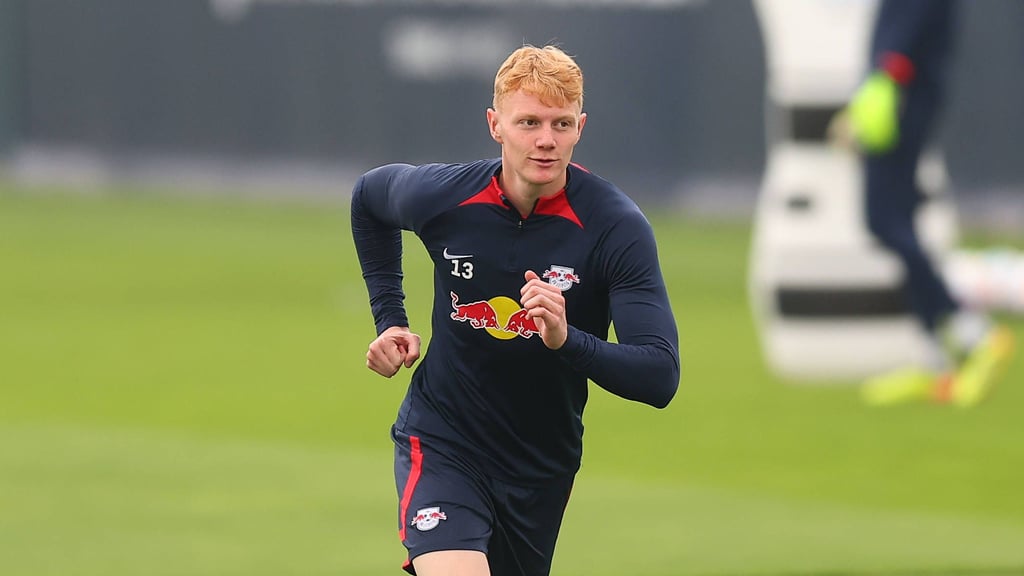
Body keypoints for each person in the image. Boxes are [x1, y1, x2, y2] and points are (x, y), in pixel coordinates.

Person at [350, 44, 680, 576]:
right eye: (528, 122)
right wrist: (391, 318)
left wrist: (566, 339)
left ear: (581, 127)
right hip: (442, 438)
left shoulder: (615, 227)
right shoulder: (443, 197)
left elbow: (660, 375)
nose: (546, 140)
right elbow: (369, 199)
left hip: (539, 468)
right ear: (495, 124)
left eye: (561, 123)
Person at [834, 0, 1013, 406]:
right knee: (899, 221)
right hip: (908, 93)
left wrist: (880, 86)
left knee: (883, 218)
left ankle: (974, 332)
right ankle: (941, 361)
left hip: (900, 96)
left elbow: (906, 30)